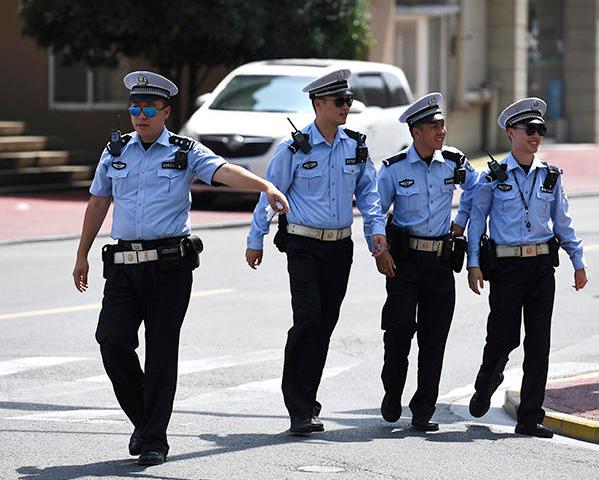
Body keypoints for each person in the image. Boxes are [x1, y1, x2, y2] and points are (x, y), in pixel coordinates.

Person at [72, 71, 289, 466]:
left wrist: (265, 187)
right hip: (122, 266)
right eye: (134, 108)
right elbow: (98, 202)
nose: (139, 115)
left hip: (169, 267)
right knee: (111, 340)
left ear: (165, 111)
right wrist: (82, 252)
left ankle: (153, 438)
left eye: (149, 108)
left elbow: (224, 172)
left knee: (160, 352)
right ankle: (146, 420)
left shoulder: (185, 152)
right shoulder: (115, 152)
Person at [245, 69, 387, 435]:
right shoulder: (293, 149)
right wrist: (255, 237)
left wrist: (376, 232)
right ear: (318, 104)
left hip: (340, 247)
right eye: (339, 101)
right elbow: (271, 194)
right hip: (303, 245)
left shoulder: (355, 146)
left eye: (348, 101)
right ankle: (299, 406)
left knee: (323, 326)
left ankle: (309, 399)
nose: (346, 107)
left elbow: (369, 193)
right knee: (308, 320)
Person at [466, 97, 587, 438]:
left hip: (540, 269)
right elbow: (478, 221)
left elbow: (563, 223)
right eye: (529, 129)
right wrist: (474, 264)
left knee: (539, 343)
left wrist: (578, 261)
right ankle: (489, 377)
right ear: (511, 133)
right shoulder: (493, 176)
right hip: (505, 268)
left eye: (540, 130)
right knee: (503, 338)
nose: (536, 136)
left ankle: (530, 416)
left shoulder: (550, 176)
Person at [375, 92, 480, 432]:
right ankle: (392, 393)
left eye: (442, 124)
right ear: (415, 131)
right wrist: (380, 250)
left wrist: (461, 220)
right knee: (398, 332)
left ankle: (424, 409)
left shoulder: (454, 162)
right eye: (434, 125)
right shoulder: (393, 169)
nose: (442, 131)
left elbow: (478, 192)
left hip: (439, 262)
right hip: (404, 264)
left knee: (434, 340)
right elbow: (375, 211)